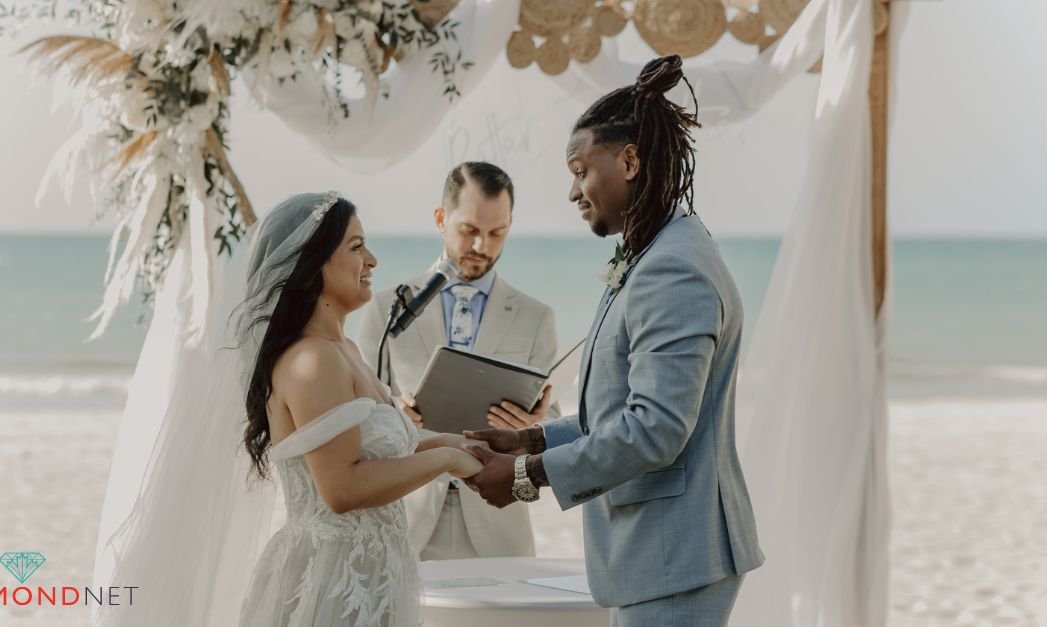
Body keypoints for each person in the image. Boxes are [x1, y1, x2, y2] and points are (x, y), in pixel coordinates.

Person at [463, 56, 764, 627]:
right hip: (660, 552)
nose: (572, 192)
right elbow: (619, 409)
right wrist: (531, 439)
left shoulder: (673, 269)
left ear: (628, 161)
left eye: (580, 170)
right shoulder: (653, 251)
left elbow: (655, 428)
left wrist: (528, 476)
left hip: (677, 553)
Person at [235, 193, 486, 626]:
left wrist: (469, 445)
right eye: (356, 247)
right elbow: (342, 489)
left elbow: (384, 451)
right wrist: (448, 460)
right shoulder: (313, 360)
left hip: (376, 575)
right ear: (312, 264)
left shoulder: (346, 349)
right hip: (331, 581)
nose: (372, 260)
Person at [355, 161, 560, 560]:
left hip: (498, 523)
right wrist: (394, 413)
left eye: (497, 232)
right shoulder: (385, 307)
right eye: (469, 230)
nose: (482, 246)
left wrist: (532, 426)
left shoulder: (538, 317)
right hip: (403, 516)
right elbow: (358, 414)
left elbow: (552, 424)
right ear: (440, 219)